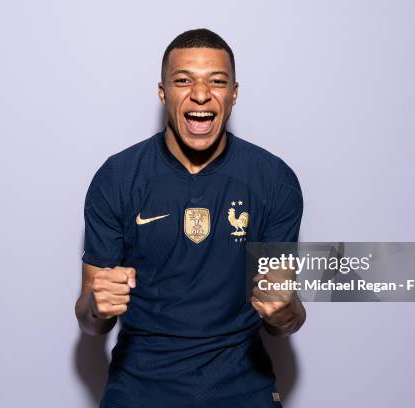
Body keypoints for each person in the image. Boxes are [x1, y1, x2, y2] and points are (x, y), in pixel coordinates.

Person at [75, 28, 305, 408]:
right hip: (141, 381)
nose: (201, 94)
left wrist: (286, 311)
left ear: (234, 94)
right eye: (183, 80)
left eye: (217, 81)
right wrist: (97, 306)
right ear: (163, 92)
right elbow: (89, 319)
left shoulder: (273, 180)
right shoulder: (117, 178)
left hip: (242, 381)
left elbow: (284, 318)